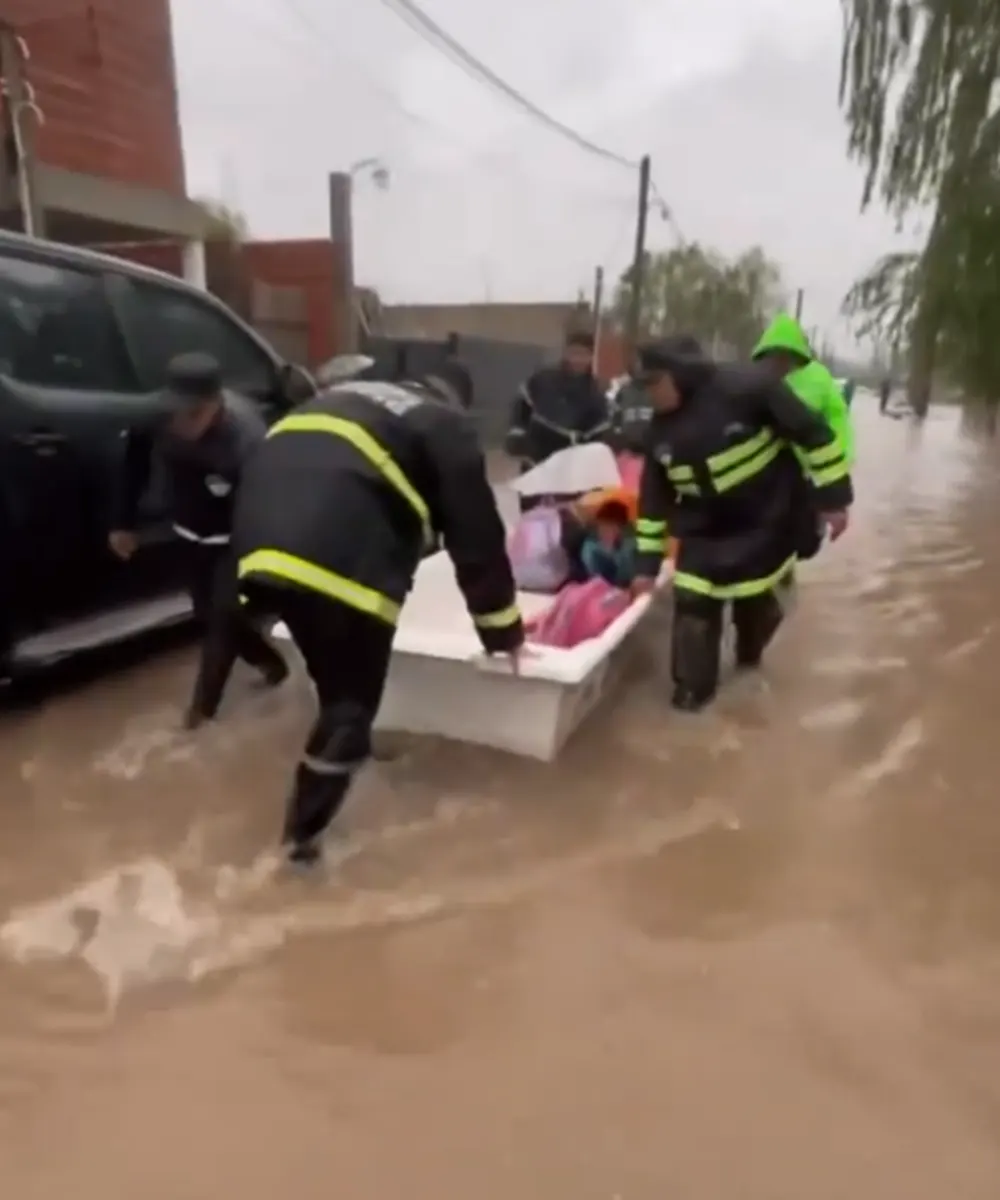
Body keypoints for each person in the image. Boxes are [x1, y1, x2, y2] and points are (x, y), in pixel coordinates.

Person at [232, 371, 525, 867]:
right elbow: (475, 533)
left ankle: (353, 756)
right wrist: (502, 631)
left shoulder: (344, 401)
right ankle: (296, 851)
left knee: (332, 680)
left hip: (257, 545)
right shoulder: (445, 426)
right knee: (350, 707)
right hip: (338, 552)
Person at [630, 336, 853, 712]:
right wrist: (644, 568)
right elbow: (654, 502)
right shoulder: (659, 433)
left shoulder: (752, 387)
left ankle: (749, 658)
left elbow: (815, 435)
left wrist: (834, 500)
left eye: (653, 383)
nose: (648, 394)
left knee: (757, 618)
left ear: (680, 375)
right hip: (704, 530)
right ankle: (692, 693)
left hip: (769, 518)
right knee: (692, 602)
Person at [108, 352, 288, 729]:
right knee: (204, 613)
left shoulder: (246, 441)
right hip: (189, 527)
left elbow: (267, 507)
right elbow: (135, 460)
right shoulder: (156, 417)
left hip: (237, 535)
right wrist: (123, 523)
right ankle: (272, 664)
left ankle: (199, 717)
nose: (180, 424)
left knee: (222, 618)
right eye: (175, 412)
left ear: (215, 405)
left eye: (193, 414)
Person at [505, 332, 611, 500]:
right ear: (565, 352)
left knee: (567, 521)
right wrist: (516, 435)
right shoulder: (542, 380)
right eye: (574, 352)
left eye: (583, 354)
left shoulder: (596, 395)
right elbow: (521, 409)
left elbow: (599, 438)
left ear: (591, 357)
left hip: (571, 474)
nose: (577, 359)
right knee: (533, 521)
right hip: (536, 463)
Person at [751, 313, 855, 465]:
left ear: (798, 356)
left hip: (810, 465)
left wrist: (840, 457)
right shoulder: (754, 380)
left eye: (787, 356)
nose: (781, 362)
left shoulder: (818, 378)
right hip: (767, 469)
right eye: (775, 355)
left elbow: (837, 417)